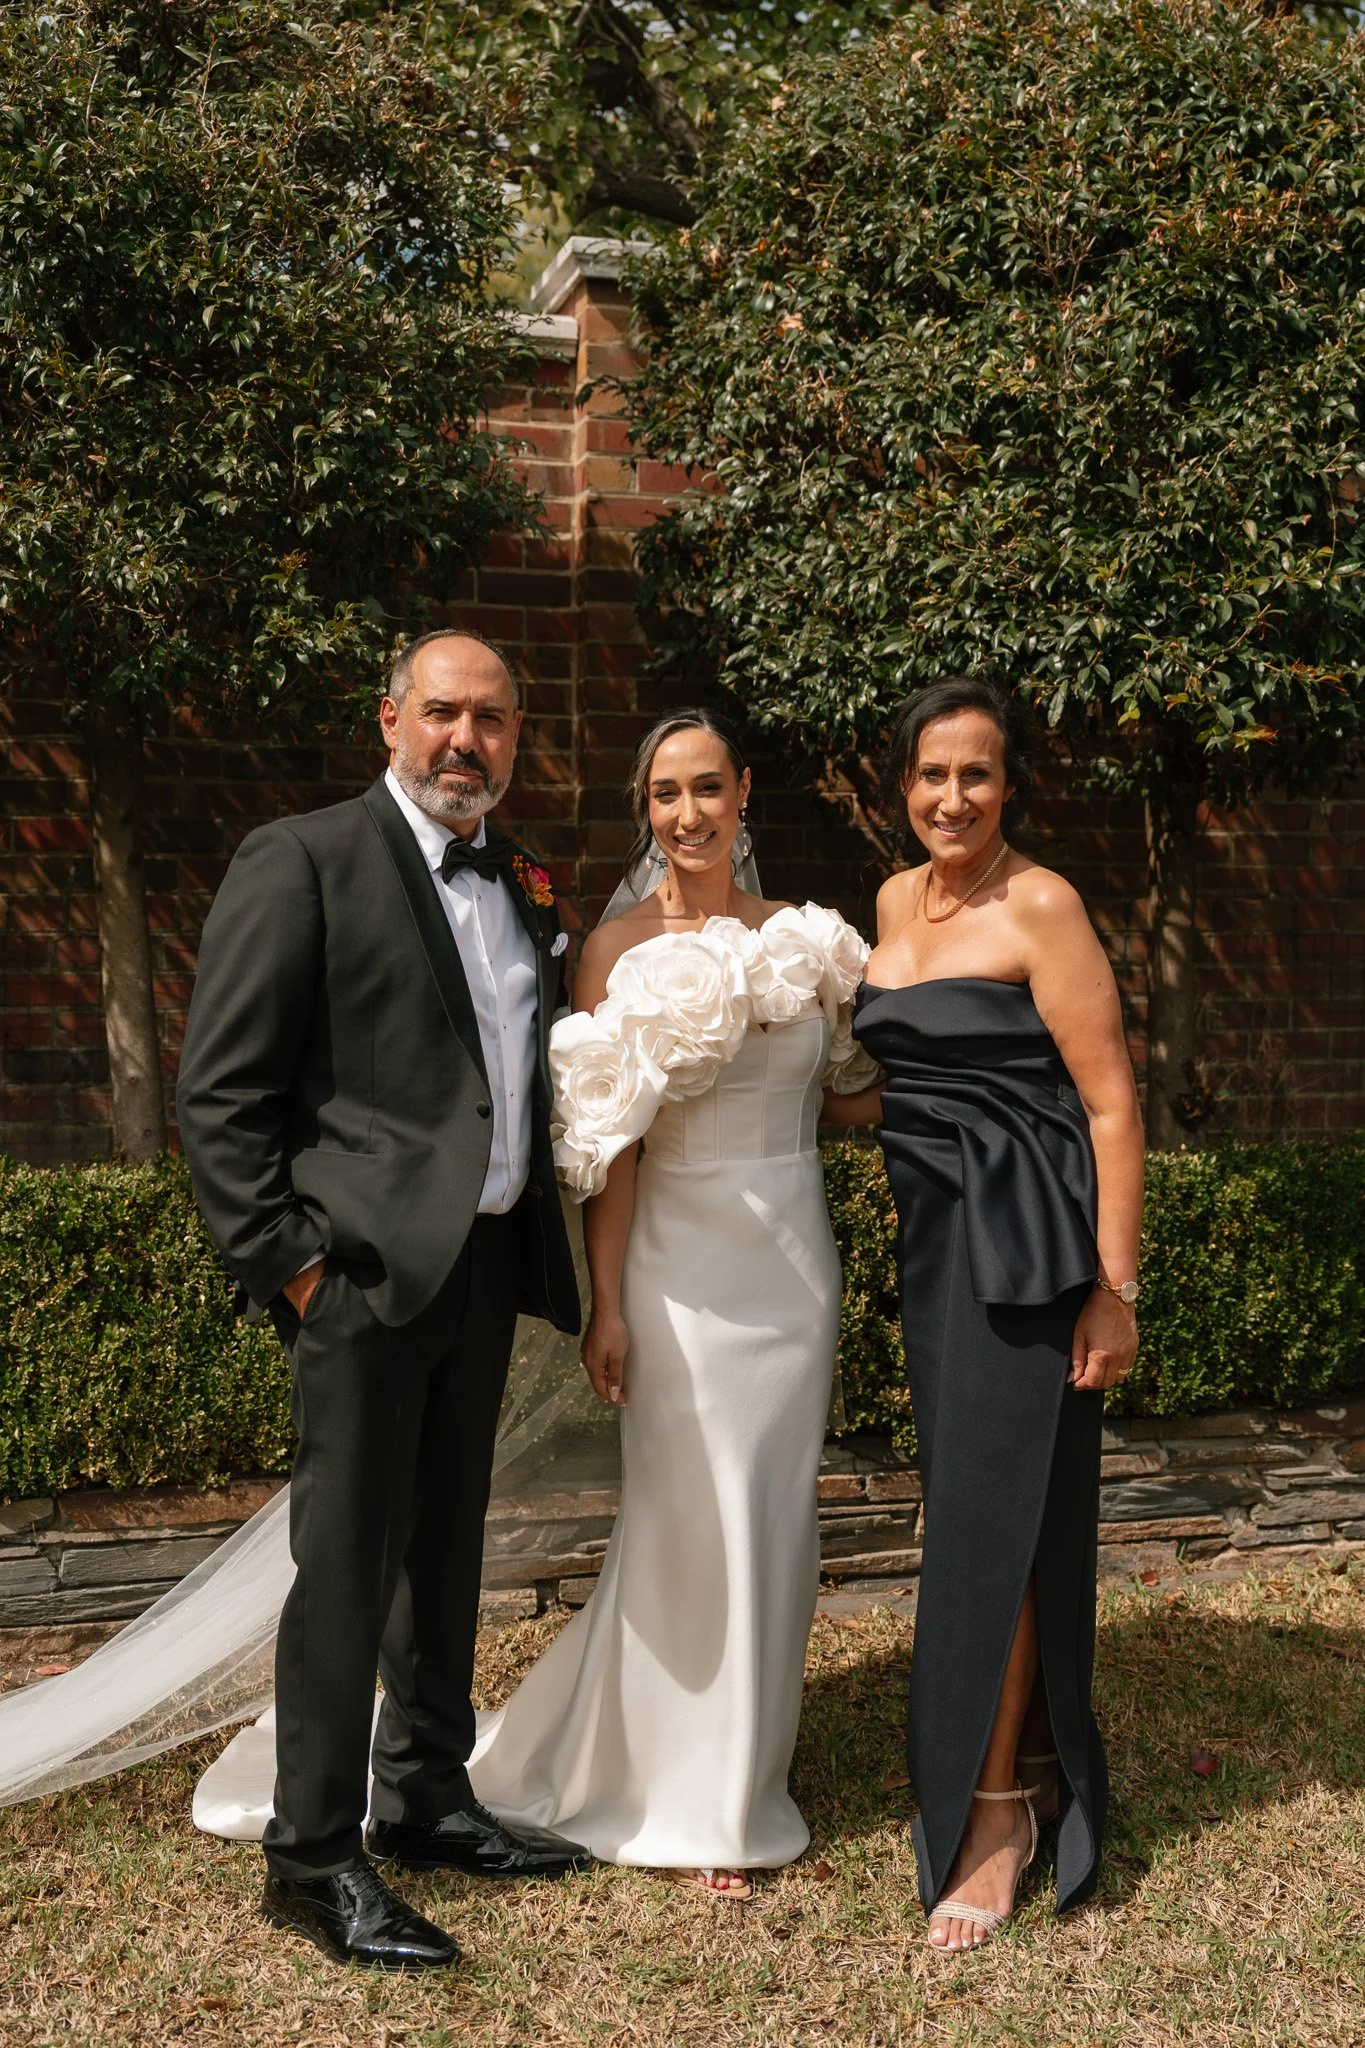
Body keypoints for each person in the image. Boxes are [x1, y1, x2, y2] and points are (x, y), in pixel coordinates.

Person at [175, 630, 590, 1972]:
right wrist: (294, 1264)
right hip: (356, 1280)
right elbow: (220, 1094)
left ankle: (426, 1796)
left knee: (446, 1554)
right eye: (443, 712)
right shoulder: (301, 859)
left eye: (492, 718)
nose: (466, 738)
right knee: (346, 1568)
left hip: (484, 1267)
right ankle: (310, 1857)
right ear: (390, 721)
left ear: (515, 738)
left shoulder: (523, 876)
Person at [460, 710, 873, 1897]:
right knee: (691, 1516)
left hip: (791, 1270)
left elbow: (848, 1098)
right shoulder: (613, 949)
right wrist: (610, 1304)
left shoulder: (808, 942)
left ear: (745, 792)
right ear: (645, 809)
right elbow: (610, 1147)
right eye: (663, 793)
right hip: (677, 1273)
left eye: (706, 788)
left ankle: (742, 1765)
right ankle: (686, 1792)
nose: (687, 813)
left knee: (773, 1519)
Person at [829, 677, 1143, 1950]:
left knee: (993, 1523)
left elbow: (1110, 1104)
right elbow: (904, 1085)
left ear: (1010, 785)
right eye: (930, 773)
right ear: (900, 784)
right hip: (935, 1247)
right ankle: (1025, 1763)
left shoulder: (1042, 903)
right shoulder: (893, 900)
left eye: (976, 773)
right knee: (980, 1507)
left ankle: (999, 1808)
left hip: (1025, 1252)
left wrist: (1112, 1288)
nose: (951, 796)